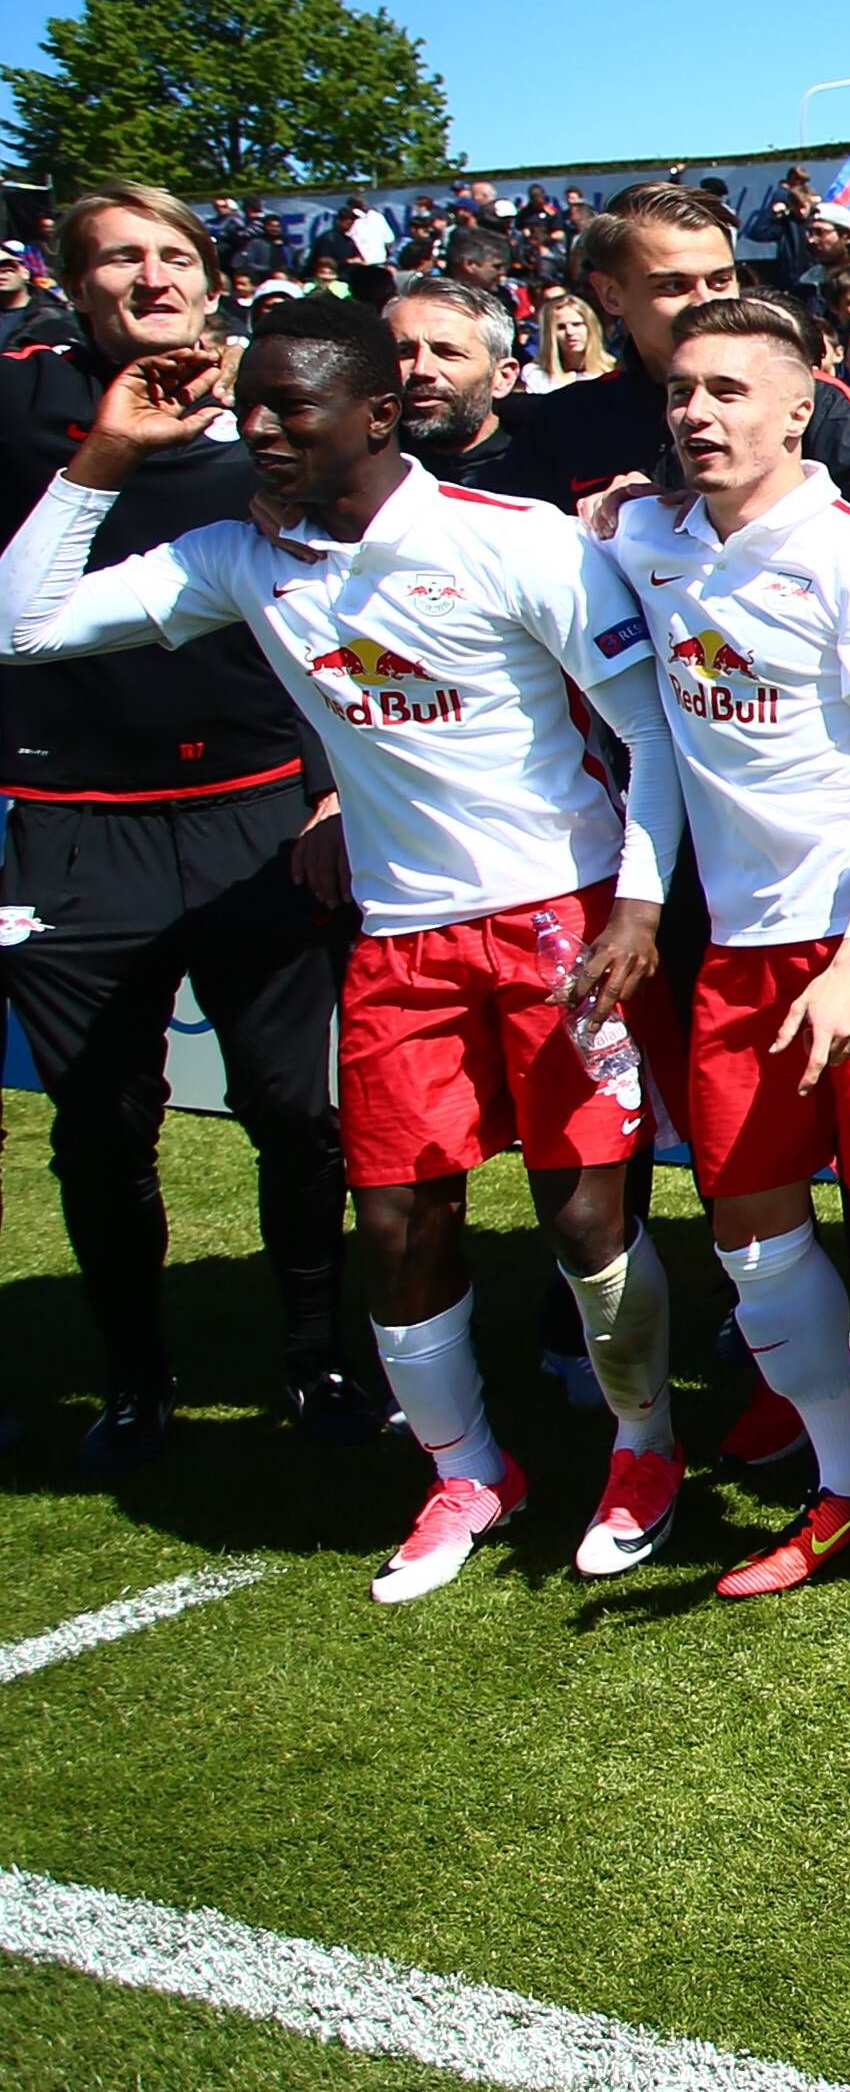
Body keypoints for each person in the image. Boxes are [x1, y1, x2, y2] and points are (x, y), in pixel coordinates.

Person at [0, 296, 687, 1592]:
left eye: (290, 408)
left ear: (378, 415)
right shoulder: (236, 557)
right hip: (400, 935)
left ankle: (645, 1447)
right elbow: (19, 624)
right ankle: (468, 1472)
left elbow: (648, 732)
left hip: (560, 916)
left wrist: (639, 907)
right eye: (248, 405)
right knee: (396, 1220)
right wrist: (104, 454)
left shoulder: (513, 538)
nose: (259, 428)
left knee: (586, 1218)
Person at [598, 294, 850, 1652]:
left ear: (797, 406)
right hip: (737, 951)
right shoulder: (647, 539)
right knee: (752, 1238)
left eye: (728, 390)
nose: (697, 413)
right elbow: (644, 719)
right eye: (682, 391)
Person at [0, 186, 364, 1469]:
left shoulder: (284, 424)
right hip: (73, 822)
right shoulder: (18, 406)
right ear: (72, 284)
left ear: (213, 280)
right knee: (101, 1124)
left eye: (173, 254)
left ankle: (318, 1361)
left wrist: (331, 784)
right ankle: (134, 1378)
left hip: (258, 813)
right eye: (118, 258)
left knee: (297, 1114)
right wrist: (103, 451)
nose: (151, 277)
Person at [485, 182, 850, 547]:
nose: (706, 302)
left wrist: (748, 524)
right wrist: (603, 536)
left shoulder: (811, 399)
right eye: (673, 286)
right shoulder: (568, 420)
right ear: (610, 294)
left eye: (721, 280)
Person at [386, 276, 524, 486]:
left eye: (448, 353)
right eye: (404, 352)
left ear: (502, 377)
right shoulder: (358, 469)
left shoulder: (547, 471)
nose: (421, 369)